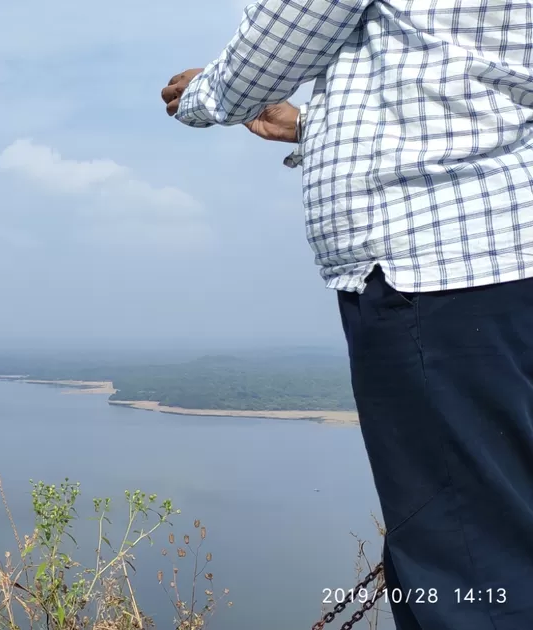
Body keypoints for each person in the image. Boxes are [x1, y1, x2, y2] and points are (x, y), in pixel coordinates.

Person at [161, 1, 533, 629]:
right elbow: (472, 82)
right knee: (506, 517)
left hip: (435, 267)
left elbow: (290, 28)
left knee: (461, 552)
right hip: (500, 252)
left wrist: (204, 94)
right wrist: (316, 123)